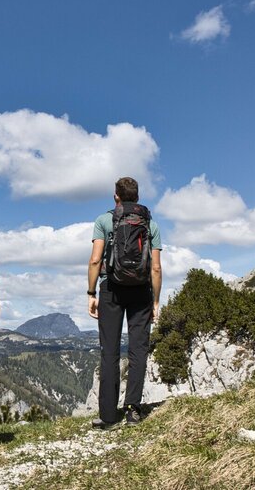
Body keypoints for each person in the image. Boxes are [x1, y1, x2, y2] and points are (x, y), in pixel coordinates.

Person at [87, 177, 163, 428]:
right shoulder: (150, 223)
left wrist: (91, 293)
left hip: (111, 289)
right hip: (141, 290)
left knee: (109, 351)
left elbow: (96, 260)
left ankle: (108, 416)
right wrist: (155, 301)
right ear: (137, 197)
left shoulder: (103, 221)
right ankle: (133, 410)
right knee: (138, 350)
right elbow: (156, 267)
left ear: (115, 196)